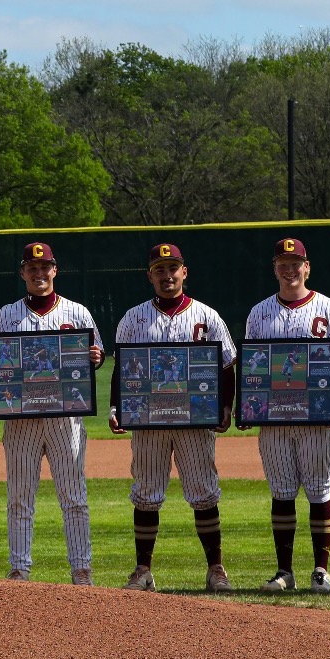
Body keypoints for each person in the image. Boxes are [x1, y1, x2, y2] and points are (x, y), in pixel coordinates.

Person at [112, 243, 237, 593]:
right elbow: (122, 368)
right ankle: (143, 570)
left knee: (203, 492)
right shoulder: (134, 318)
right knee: (146, 492)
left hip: (195, 421)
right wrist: (115, 407)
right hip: (149, 422)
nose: (167, 276)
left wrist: (225, 405)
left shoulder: (207, 316)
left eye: (173, 268)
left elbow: (227, 365)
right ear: (149, 275)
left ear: (185, 272)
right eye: (160, 270)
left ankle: (216, 569)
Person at [0, 241, 105, 585]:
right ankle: (19, 567)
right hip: (20, 419)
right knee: (20, 495)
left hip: (64, 418)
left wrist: (94, 359)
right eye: (32, 268)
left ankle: (81, 568)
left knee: (73, 494)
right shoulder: (7, 314)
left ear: (55, 270)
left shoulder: (78, 313)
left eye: (45, 267)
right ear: (23, 272)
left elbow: (92, 357)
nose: (39, 273)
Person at [241, 237, 330, 594]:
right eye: (283, 264)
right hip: (274, 422)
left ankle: (321, 570)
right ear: (275, 269)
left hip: (318, 420)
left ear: (307, 267)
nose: (290, 270)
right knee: (282, 493)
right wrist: (248, 406)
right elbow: (251, 368)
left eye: (295, 263)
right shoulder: (259, 313)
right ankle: (284, 571)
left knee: (320, 491)